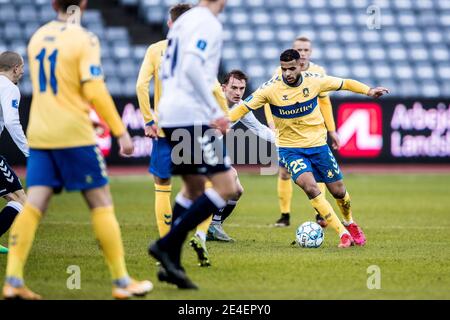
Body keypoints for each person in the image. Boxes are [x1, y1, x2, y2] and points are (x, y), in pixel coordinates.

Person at [2, 0, 153, 300]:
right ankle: (122, 282)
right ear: (83, 4)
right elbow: (94, 88)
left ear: (53, 4)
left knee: (33, 204)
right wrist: (120, 131)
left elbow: (61, 86)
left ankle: (13, 281)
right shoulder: (84, 38)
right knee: (101, 202)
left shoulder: (38, 37)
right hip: (72, 134)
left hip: (42, 133)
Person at [229, 49, 389, 248]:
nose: (287, 73)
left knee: (338, 191)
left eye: (292, 68)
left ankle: (350, 222)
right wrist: (224, 120)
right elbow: (243, 108)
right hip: (290, 149)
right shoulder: (270, 89)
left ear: (300, 66)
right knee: (310, 187)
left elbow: (345, 83)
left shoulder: (315, 81)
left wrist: (369, 91)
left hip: (318, 145)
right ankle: (343, 234)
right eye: (284, 68)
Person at [147, 0, 234, 290]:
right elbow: (193, 67)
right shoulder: (207, 22)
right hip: (191, 115)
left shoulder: (183, 21)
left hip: (169, 113)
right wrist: (215, 112)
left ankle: (172, 264)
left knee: (193, 188)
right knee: (225, 187)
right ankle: (166, 244)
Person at [264, 37, 338, 228]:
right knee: (284, 172)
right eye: (299, 49)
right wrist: (271, 122)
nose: (303, 53)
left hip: (314, 132)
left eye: (306, 50)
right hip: (288, 133)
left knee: (318, 172)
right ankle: (285, 215)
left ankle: (321, 214)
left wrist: (332, 130)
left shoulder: (318, 73)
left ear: (310, 53)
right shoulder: (279, 73)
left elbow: (325, 102)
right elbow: (266, 99)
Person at [206, 69, 275, 242]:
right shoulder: (210, 101)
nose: (238, 93)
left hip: (213, 150)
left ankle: (213, 226)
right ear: (223, 88)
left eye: (241, 88)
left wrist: (287, 141)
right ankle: (203, 226)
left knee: (237, 191)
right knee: (229, 179)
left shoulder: (241, 107)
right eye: (234, 88)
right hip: (194, 146)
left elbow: (259, 129)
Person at [0, 51, 28, 254]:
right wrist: (29, 152)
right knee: (21, 201)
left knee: (11, 197)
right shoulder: (9, 87)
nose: (23, 72)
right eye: (22, 67)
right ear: (16, 68)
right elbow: (11, 121)